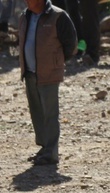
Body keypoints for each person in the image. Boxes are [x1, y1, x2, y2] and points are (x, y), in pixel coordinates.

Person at [19, 0, 78, 166]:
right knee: (37, 113)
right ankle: (44, 148)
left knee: (50, 114)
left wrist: (55, 62)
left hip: (49, 73)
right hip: (30, 72)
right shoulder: (25, 16)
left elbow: (71, 45)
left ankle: (51, 153)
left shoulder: (58, 16)